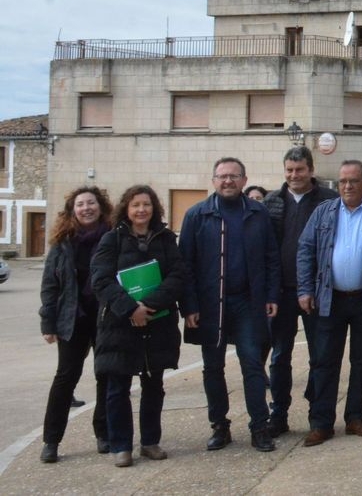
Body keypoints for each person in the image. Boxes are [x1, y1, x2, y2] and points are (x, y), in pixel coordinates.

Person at [180, 157, 281, 453]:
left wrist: (272, 296)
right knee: (213, 367)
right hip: (211, 305)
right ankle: (219, 426)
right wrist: (189, 306)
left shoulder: (258, 214)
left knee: (252, 363)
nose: (228, 181)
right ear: (213, 180)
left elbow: (271, 258)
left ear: (244, 179)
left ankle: (259, 427)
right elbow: (184, 266)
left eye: (233, 176)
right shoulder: (196, 215)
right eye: (222, 176)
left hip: (248, 303)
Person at [91, 185, 189, 467]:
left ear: (154, 208)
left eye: (146, 205)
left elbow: (178, 275)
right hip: (120, 325)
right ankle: (121, 445)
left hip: (157, 324)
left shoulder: (166, 238)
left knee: (154, 386)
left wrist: (149, 306)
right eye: (136, 205)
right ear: (127, 209)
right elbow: (101, 279)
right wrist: (131, 309)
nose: (141, 210)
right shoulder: (112, 239)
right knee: (117, 387)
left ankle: (150, 442)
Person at [296, 161, 362, 445]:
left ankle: (355, 417)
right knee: (324, 361)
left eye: (353, 181)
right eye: (343, 181)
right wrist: (304, 290)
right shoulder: (323, 213)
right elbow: (305, 250)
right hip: (328, 299)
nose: (347, 186)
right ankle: (321, 422)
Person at [260, 146, 338, 437]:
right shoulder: (271, 202)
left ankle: (317, 415)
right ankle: (278, 414)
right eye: (290, 170)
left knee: (320, 355)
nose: (294, 175)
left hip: (317, 292)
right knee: (280, 356)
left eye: (300, 170)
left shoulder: (329, 201)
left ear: (311, 170)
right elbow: (265, 250)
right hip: (280, 293)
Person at [38, 187, 114, 463]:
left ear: (100, 206)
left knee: (105, 375)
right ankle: (51, 440)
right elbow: (50, 284)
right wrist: (48, 322)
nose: (86, 208)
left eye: (91, 203)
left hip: (106, 318)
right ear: (73, 210)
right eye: (80, 204)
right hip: (73, 319)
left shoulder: (113, 235)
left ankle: (103, 433)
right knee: (65, 378)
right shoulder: (62, 242)